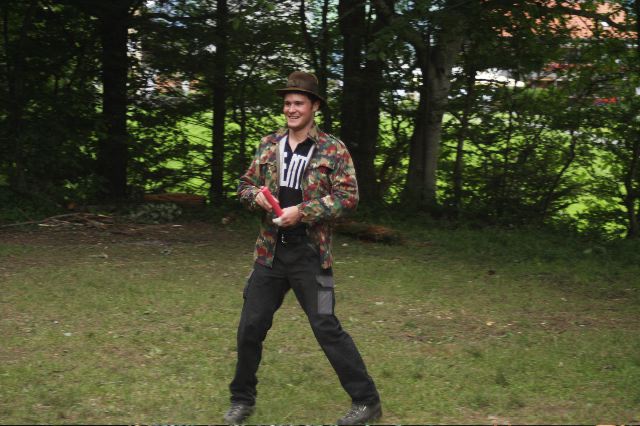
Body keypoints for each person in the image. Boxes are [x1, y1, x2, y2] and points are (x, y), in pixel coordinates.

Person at [224, 71, 381, 425]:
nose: (291, 109)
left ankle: (367, 402)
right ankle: (241, 399)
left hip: (313, 258)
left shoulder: (333, 149)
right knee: (250, 326)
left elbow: (348, 198)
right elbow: (244, 185)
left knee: (327, 325)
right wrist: (255, 197)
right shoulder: (269, 144)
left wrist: (303, 212)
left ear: (315, 107)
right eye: (287, 103)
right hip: (270, 256)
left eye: (298, 103)